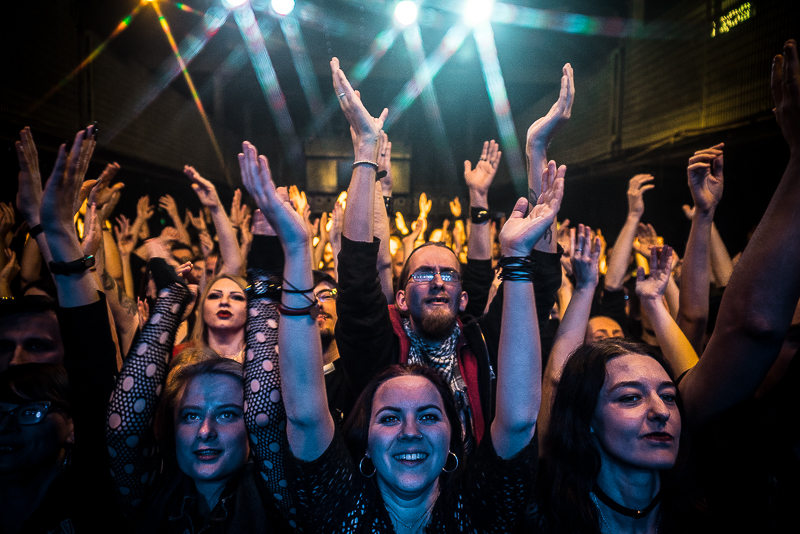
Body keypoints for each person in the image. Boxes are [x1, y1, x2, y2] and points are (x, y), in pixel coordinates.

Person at [238, 82, 557, 530]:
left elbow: (520, 419)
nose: (410, 431)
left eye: (430, 415)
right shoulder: (339, 497)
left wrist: (536, 162)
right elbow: (356, 277)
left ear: (453, 436)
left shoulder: (479, 505)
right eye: (389, 417)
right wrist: (362, 160)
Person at [333, 60, 566, 452]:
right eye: (423, 274)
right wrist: (366, 152)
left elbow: (539, 283)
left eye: (448, 275)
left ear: (463, 299)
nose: (438, 280)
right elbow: (357, 273)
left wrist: (536, 151)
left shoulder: (482, 345)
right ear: (402, 298)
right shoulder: (380, 350)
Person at [106, 257, 295, 532]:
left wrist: (265, 286)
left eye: (228, 414)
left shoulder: (277, 493)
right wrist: (170, 299)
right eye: (191, 415)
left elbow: (265, 414)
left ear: (251, 424)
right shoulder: (153, 491)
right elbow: (122, 429)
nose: (205, 431)